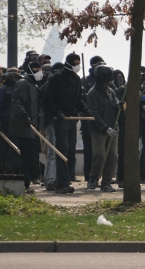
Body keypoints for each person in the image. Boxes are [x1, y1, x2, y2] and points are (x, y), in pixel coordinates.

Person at [43, 53, 89, 194]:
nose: (78, 65)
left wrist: (87, 110)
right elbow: (47, 99)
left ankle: (65, 179)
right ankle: (62, 183)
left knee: (70, 151)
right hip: (60, 120)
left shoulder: (76, 79)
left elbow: (78, 100)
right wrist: (57, 113)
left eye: (79, 62)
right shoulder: (56, 78)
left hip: (72, 119)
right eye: (76, 62)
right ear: (69, 63)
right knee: (61, 152)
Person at [86, 65, 122, 192]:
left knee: (112, 156)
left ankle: (106, 182)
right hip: (98, 130)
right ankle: (93, 178)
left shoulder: (111, 91)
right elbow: (94, 114)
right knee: (99, 155)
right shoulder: (92, 93)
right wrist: (105, 128)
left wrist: (120, 106)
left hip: (112, 128)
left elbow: (115, 104)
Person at [9, 61, 43, 194]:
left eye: (40, 69)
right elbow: (17, 102)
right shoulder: (23, 83)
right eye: (36, 69)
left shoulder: (33, 85)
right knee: (26, 157)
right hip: (23, 127)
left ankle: (26, 184)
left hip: (31, 127)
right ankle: (24, 185)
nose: (39, 71)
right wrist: (25, 116)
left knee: (30, 157)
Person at [0, 70, 19, 174]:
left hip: (15, 126)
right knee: (2, 151)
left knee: (15, 151)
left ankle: (12, 172)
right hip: (4, 126)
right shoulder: (2, 90)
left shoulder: (17, 89)